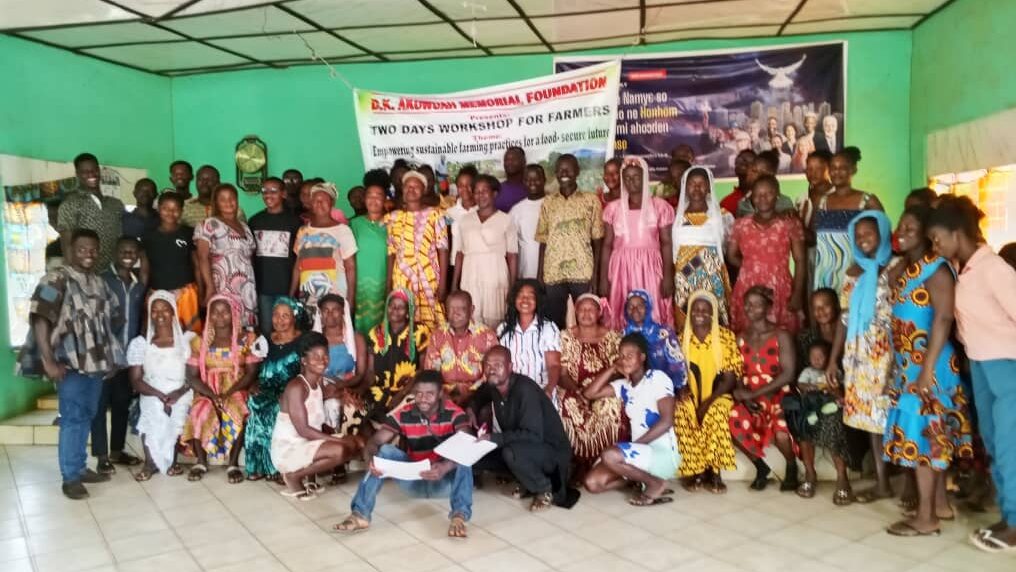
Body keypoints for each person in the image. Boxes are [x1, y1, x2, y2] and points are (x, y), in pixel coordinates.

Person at [927, 196, 1016, 552]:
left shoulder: (994, 269)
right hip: (980, 365)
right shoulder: (962, 270)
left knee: (1010, 448)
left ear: (956, 233)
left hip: (1006, 366)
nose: (935, 245)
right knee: (993, 444)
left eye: (937, 238)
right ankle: (1009, 516)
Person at [883, 206, 974, 537]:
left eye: (911, 227)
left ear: (927, 235)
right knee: (932, 436)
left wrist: (926, 370)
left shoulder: (937, 269)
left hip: (929, 365)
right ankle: (940, 505)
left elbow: (944, 319)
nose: (903, 231)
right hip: (911, 364)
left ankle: (926, 518)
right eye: (901, 225)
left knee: (925, 440)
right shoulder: (908, 268)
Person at [17, 229, 124, 499]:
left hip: (95, 363)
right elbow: (40, 318)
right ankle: (70, 477)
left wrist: (111, 357)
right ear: (70, 251)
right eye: (82, 249)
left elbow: (110, 320)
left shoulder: (99, 283)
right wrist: (48, 360)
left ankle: (79, 466)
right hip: (69, 363)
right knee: (73, 416)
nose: (89, 254)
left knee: (88, 413)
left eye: (93, 249)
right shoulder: (55, 279)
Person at [335, 370, 473, 537]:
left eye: (429, 394)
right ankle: (360, 515)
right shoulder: (403, 413)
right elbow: (374, 442)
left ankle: (459, 516)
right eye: (418, 393)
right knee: (384, 451)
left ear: (440, 394)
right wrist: (370, 461)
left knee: (465, 457)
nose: (423, 399)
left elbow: (469, 446)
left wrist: (445, 467)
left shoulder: (456, 414)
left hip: (443, 482)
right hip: (413, 480)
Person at [827, 211, 897, 503]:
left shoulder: (896, 267)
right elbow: (844, 320)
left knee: (896, 418)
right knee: (872, 421)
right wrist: (833, 359)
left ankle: (913, 485)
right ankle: (883, 483)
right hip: (859, 357)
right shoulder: (852, 273)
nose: (863, 239)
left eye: (869, 233)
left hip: (889, 354)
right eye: (858, 235)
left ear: (883, 233)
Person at [473, 346, 577, 510]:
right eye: (488, 365)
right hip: (525, 446)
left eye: (498, 365)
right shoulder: (495, 384)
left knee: (510, 453)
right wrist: (470, 409)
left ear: (510, 367)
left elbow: (533, 435)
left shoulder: (525, 390)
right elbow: (481, 394)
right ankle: (525, 480)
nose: (491, 370)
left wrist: (495, 438)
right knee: (478, 455)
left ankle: (545, 488)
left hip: (551, 452)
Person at [583, 333, 680, 505]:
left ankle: (655, 483)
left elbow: (666, 421)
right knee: (592, 483)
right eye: (621, 356)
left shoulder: (657, 378)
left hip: (661, 455)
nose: (624, 360)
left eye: (630, 355)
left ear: (642, 357)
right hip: (639, 455)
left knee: (609, 455)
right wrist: (613, 368)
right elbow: (590, 393)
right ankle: (638, 480)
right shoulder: (624, 386)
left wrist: (636, 445)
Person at [272, 332, 364, 500]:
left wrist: (345, 396)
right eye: (315, 356)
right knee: (340, 450)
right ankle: (293, 477)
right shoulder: (297, 387)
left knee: (358, 442)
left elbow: (324, 408)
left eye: (325, 355)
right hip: (289, 449)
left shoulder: (319, 382)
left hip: (307, 444)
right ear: (304, 361)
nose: (322, 360)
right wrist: (338, 440)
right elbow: (304, 431)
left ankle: (310, 480)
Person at [182, 294, 262, 483]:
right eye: (215, 312)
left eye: (225, 312)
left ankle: (232, 464)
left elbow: (251, 373)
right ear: (209, 315)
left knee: (237, 409)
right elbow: (192, 376)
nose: (220, 316)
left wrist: (228, 393)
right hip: (207, 389)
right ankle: (201, 462)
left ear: (234, 313)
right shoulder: (199, 342)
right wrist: (211, 395)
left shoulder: (247, 339)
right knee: (199, 410)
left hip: (236, 387)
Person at [728, 286, 798, 491]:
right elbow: (738, 371)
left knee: (781, 431)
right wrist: (744, 394)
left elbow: (788, 374)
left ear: (768, 308)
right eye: (748, 304)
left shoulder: (781, 335)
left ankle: (791, 466)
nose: (751, 309)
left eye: (757, 304)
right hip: (751, 395)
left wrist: (753, 393)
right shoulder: (740, 337)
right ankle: (760, 467)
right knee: (732, 420)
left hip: (777, 393)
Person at [785, 289, 852, 503]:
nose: (820, 311)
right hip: (814, 394)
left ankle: (842, 478)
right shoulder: (806, 337)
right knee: (800, 415)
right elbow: (801, 374)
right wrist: (809, 388)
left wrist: (839, 391)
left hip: (844, 395)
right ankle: (810, 473)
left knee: (834, 417)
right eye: (815, 308)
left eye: (825, 306)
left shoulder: (850, 334)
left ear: (836, 307)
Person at [673, 290, 740, 493]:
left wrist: (707, 403)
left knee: (716, 414)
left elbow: (729, 380)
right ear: (689, 312)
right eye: (695, 309)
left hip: (719, 395)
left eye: (705, 310)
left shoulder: (726, 337)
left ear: (713, 314)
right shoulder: (680, 339)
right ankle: (695, 470)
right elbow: (676, 374)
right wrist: (681, 390)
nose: (700, 313)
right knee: (683, 411)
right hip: (692, 394)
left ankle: (714, 471)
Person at [600, 156, 676, 329]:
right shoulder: (613, 209)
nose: (631, 181)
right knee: (623, 310)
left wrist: (668, 276)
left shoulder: (659, 206)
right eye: (627, 177)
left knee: (652, 309)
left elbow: (666, 243)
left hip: (650, 267)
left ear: (645, 177)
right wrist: (603, 278)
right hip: (621, 269)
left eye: (636, 177)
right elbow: (607, 245)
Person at [126, 291, 195, 481]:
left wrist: (178, 392)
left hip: (181, 390)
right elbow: (136, 380)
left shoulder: (186, 341)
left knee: (178, 410)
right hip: (151, 390)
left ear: (173, 312)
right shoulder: (141, 344)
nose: (160, 314)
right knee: (153, 409)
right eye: (154, 310)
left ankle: (171, 462)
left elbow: (192, 376)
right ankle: (150, 463)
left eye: (165, 309)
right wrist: (159, 395)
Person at [92, 237, 146, 474]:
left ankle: (116, 451)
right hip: (105, 357)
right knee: (99, 407)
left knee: (122, 404)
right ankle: (101, 456)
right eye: (124, 251)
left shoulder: (137, 284)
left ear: (137, 256)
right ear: (115, 253)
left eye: (132, 252)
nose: (128, 255)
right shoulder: (102, 280)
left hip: (127, 359)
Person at [728, 175, 807, 333]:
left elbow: (800, 260)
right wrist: (752, 267)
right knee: (748, 333)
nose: (762, 198)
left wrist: (798, 293)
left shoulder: (789, 223)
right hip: (748, 286)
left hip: (779, 288)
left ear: (777, 195)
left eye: (768, 193)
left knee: (780, 334)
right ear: (751, 198)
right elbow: (731, 256)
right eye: (757, 194)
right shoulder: (741, 224)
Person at [558, 294, 623, 478]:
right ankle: (579, 461)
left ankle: (604, 462)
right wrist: (578, 392)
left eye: (591, 309)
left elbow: (617, 371)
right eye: (582, 309)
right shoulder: (566, 336)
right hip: (574, 388)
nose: (586, 313)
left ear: (599, 313)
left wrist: (595, 392)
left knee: (610, 405)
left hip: (602, 390)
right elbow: (563, 374)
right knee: (567, 403)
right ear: (576, 312)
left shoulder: (613, 337)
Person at [536, 154, 604, 328]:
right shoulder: (548, 202)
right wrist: (540, 274)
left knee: (587, 320)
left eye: (568, 169)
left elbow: (598, 241)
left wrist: (596, 276)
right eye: (560, 170)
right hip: (553, 271)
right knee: (554, 323)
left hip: (583, 271)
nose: (564, 173)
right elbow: (543, 240)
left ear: (578, 171)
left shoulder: (591, 201)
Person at [244, 297, 305, 481]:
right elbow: (254, 368)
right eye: (276, 315)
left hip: (290, 390)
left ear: (295, 317)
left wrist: (291, 392)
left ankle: (278, 467)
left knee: (275, 410)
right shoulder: (264, 340)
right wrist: (254, 383)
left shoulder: (303, 341)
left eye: (285, 315)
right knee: (254, 402)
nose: (280, 320)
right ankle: (258, 465)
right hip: (266, 387)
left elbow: (305, 373)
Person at [812, 147, 883, 293]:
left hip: (855, 274)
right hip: (824, 275)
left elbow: (884, 237)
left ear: (853, 170)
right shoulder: (821, 202)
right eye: (833, 168)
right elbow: (816, 236)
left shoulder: (868, 201)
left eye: (842, 168)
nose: (836, 172)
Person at [385, 171, 449, 332]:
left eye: (416, 186)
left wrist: (443, 284)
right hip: (402, 277)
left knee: (432, 321)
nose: (411, 189)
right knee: (404, 319)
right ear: (402, 189)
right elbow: (391, 252)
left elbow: (443, 250)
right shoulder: (393, 217)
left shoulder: (435, 214)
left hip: (428, 276)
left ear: (424, 190)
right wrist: (389, 284)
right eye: (407, 186)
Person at [453, 175, 519, 328]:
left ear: (494, 194)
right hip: (470, 276)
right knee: (471, 321)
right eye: (476, 191)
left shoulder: (506, 220)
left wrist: (513, 286)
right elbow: (459, 254)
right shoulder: (465, 220)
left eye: (484, 191)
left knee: (495, 322)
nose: (480, 195)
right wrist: (454, 285)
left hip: (495, 277)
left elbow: (512, 255)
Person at [672, 166, 734, 327]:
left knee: (713, 312)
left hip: (711, 272)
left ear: (709, 187)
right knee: (686, 311)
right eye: (692, 183)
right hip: (684, 274)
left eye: (701, 183)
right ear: (685, 187)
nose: (697, 188)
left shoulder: (722, 215)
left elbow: (727, 246)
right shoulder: (676, 216)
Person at [290, 182, 358, 325]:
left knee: (333, 331)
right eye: (315, 200)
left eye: (324, 200)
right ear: (311, 203)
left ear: (332, 203)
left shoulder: (343, 230)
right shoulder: (303, 231)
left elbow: (350, 268)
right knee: (311, 333)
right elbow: (297, 267)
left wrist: (350, 300)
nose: (319, 204)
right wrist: (290, 295)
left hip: (335, 297)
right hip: (308, 296)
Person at [194, 183, 257, 328]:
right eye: (223, 199)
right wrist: (209, 286)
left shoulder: (245, 227)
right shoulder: (209, 224)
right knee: (226, 326)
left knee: (246, 328)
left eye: (232, 198)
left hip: (247, 287)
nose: (228, 202)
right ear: (216, 202)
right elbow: (202, 258)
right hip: (223, 285)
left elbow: (249, 258)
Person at [365, 289, 430, 423]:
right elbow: (370, 371)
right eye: (392, 305)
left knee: (411, 409)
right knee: (358, 411)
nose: (395, 310)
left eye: (401, 307)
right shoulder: (375, 332)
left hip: (408, 392)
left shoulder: (419, 332)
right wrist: (362, 391)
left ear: (408, 311)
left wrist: (401, 394)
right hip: (379, 391)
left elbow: (423, 370)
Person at [423, 291, 498, 407]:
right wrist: (444, 395)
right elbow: (431, 372)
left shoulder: (487, 336)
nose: (455, 314)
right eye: (451, 309)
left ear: (471, 310)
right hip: (443, 395)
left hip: (477, 395)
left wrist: (471, 394)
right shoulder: (437, 336)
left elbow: (492, 373)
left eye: (461, 309)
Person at [249, 177, 302, 336]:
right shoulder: (255, 221)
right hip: (263, 288)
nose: (268, 195)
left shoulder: (294, 222)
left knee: (288, 330)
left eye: (273, 191)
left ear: (283, 194)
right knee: (266, 330)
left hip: (286, 287)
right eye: (264, 191)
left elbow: (299, 259)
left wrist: (293, 290)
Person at [142, 192, 201, 332]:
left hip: (186, 293)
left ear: (181, 211)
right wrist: (142, 293)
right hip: (158, 293)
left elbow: (197, 264)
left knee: (190, 335)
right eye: (166, 208)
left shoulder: (188, 233)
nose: (170, 213)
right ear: (158, 209)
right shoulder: (149, 235)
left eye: (175, 209)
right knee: (161, 333)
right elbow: (145, 269)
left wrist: (201, 289)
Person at [58, 153, 125, 270]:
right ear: (77, 174)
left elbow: (120, 240)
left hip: (111, 273)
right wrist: (76, 276)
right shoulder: (70, 204)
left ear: (99, 170)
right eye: (85, 171)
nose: (91, 174)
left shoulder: (116, 205)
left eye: (94, 170)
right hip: (86, 272)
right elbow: (67, 244)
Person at [496, 280, 561, 397]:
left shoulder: (548, 328)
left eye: (531, 296)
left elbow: (554, 365)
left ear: (538, 301)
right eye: (520, 295)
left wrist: (549, 389)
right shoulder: (503, 329)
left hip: (540, 390)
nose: (525, 300)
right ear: (514, 299)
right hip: (511, 392)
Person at [318, 294, 368, 440]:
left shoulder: (356, 338)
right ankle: (331, 445)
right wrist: (323, 392)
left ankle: (344, 446)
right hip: (320, 387)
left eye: (335, 310)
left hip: (348, 385)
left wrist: (341, 388)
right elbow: (307, 371)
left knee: (348, 406)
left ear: (343, 312)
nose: (330, 314)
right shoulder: (316, 338)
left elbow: (361, 374)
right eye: (325, 310)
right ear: (320, 314)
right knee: (329, 405)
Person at [623, 290, 687, 390]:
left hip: (665, 387)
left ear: (648, 307)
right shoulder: (624, 335)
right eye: (630, 306)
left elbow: (677, 366)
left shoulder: (664, 333)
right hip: (636, 389)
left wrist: (670, 388)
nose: (635, 310)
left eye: (640, 306)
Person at [349, 184, 388, 334]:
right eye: (370, 196)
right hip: (360, 283)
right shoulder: (354, 224)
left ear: (385, 200)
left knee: (382, 325)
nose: (374, 200)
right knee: (361, 325)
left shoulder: (392, 223)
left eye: (378, 196)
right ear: (364, 200)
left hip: (384, 280)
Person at [510, 164, 547, 280]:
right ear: (523, 182)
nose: (532, 183)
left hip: (552, 273)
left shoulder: (554, 205)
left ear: (544, 180)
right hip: (526, 273)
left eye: (536, 179)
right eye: (528, 180)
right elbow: (511, 245)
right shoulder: (516, 210)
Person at [182, 165, 246, 229]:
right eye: (200, 179)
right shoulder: (185, 207)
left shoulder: (234, 210)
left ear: (218, 183)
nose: (204, 182)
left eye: (209, 179)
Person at [735, 151, 796, 218]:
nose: (749, 173)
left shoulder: (784, 203)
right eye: (750, 170)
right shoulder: (743, 204)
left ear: (766, 176)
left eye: (754, 171)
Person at [445, 165, 478, 278]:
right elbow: (447, 242)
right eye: (461, 185)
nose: (465, 189)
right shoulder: (449, 213)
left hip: (477, 266)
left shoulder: (482, 211)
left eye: (469, 185)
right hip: (454, 266)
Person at [719, 149, 756, 215]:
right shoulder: (726, 203)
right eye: (738, 160)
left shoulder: (764, 198)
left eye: (745, 161)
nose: (740, 162)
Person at [497, 146, 527, 212]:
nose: (509, 162)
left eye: (514, 159)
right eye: (506, 160)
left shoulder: (532, 188)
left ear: (524, 161)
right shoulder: (497, 189)